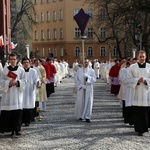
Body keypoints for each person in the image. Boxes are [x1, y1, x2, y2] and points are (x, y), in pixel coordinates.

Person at [0, 53, 26, 136]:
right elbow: (1, 81)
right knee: (8, 113)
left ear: (17, 60)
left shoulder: (21, 70)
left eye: (14, 59)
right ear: (9, 60)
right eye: (11, 59)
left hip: (17, 94)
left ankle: (16, 130)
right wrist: (8, 83)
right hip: (8, 95)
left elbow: (25, 80)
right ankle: (8, 129)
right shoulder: (5, 70)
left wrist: (18, 82)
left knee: (17, 113)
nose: (12, 61)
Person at [127, 50, 150, 136]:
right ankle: (139, 129)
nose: (141, 58)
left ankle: (145, 128)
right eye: (140, 57)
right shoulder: (132, 67)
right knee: (137, 112)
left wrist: (145, 80)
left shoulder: (149, 67)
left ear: (145, 57)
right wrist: (137, 80)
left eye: (143, 56)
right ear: (137, 57)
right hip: (136, 92)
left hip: (146, 93)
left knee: (145, 111)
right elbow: (128, 79)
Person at [22, 57, 39, 126]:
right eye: (24, 63)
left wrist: (37, 82)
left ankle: (28, 121)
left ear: (29, 63)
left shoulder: (33, 71)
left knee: (29, 106)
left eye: (27, 62)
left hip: (30, 90)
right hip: (22, 91)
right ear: (22, 63)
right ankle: (22, 120)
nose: (26, 64)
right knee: (22, 106)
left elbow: (36, 78)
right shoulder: (20, 70)